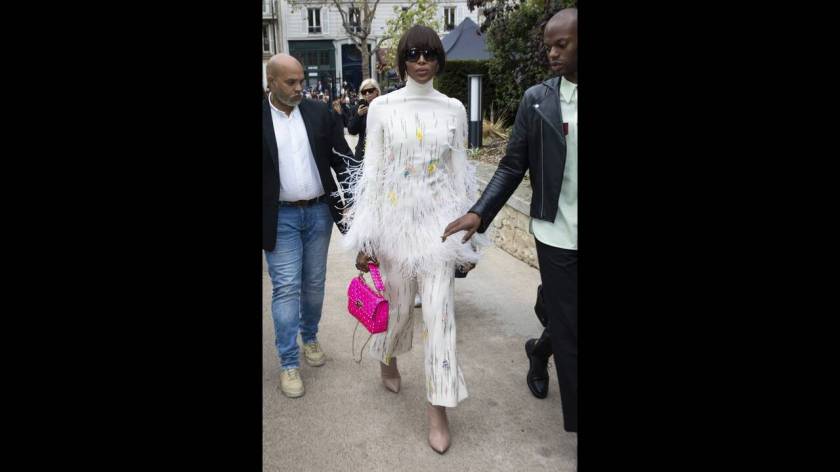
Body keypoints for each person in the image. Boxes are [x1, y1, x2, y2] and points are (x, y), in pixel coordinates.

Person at [341, 25, 487, 454]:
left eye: (429, 54)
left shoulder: (453, 108)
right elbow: (373, 174)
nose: (421, 61)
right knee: (401, 309)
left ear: (439, 59)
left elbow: (460, 174)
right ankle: (386, 355)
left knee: (441, 316)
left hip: (440, 228)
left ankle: (438, 408)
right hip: (394, 226)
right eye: (413, 54)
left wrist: (467, 240)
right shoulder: (382, 108)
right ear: (402, 60)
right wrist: (365, 237)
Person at [442, 8, 579, 434]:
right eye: (548, 46)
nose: (552, 53)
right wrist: (479, 212)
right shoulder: (537, 100)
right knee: (571, 332)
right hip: (557, 233)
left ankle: (539, 350)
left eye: (562, 45)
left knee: (567, 323)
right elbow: (512, 165)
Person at [263, 53, 355, 399]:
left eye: (301, 81)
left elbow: (343, 161)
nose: (299, 87)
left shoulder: (319, 113)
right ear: (271, 82)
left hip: (319, 212)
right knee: (287, 287)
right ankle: (288, 362)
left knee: (314, 284)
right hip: (280, 217)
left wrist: (356, 203)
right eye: (291, 82)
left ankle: (310, 337)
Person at [346, 78, 380, 162]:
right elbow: (351, 130)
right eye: (364, 92)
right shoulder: (357, 108)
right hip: (362, 154)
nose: (367, 94)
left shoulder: (383, 106)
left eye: (370, 91)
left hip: (380, 152)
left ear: (376, 91)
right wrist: (358, 115)